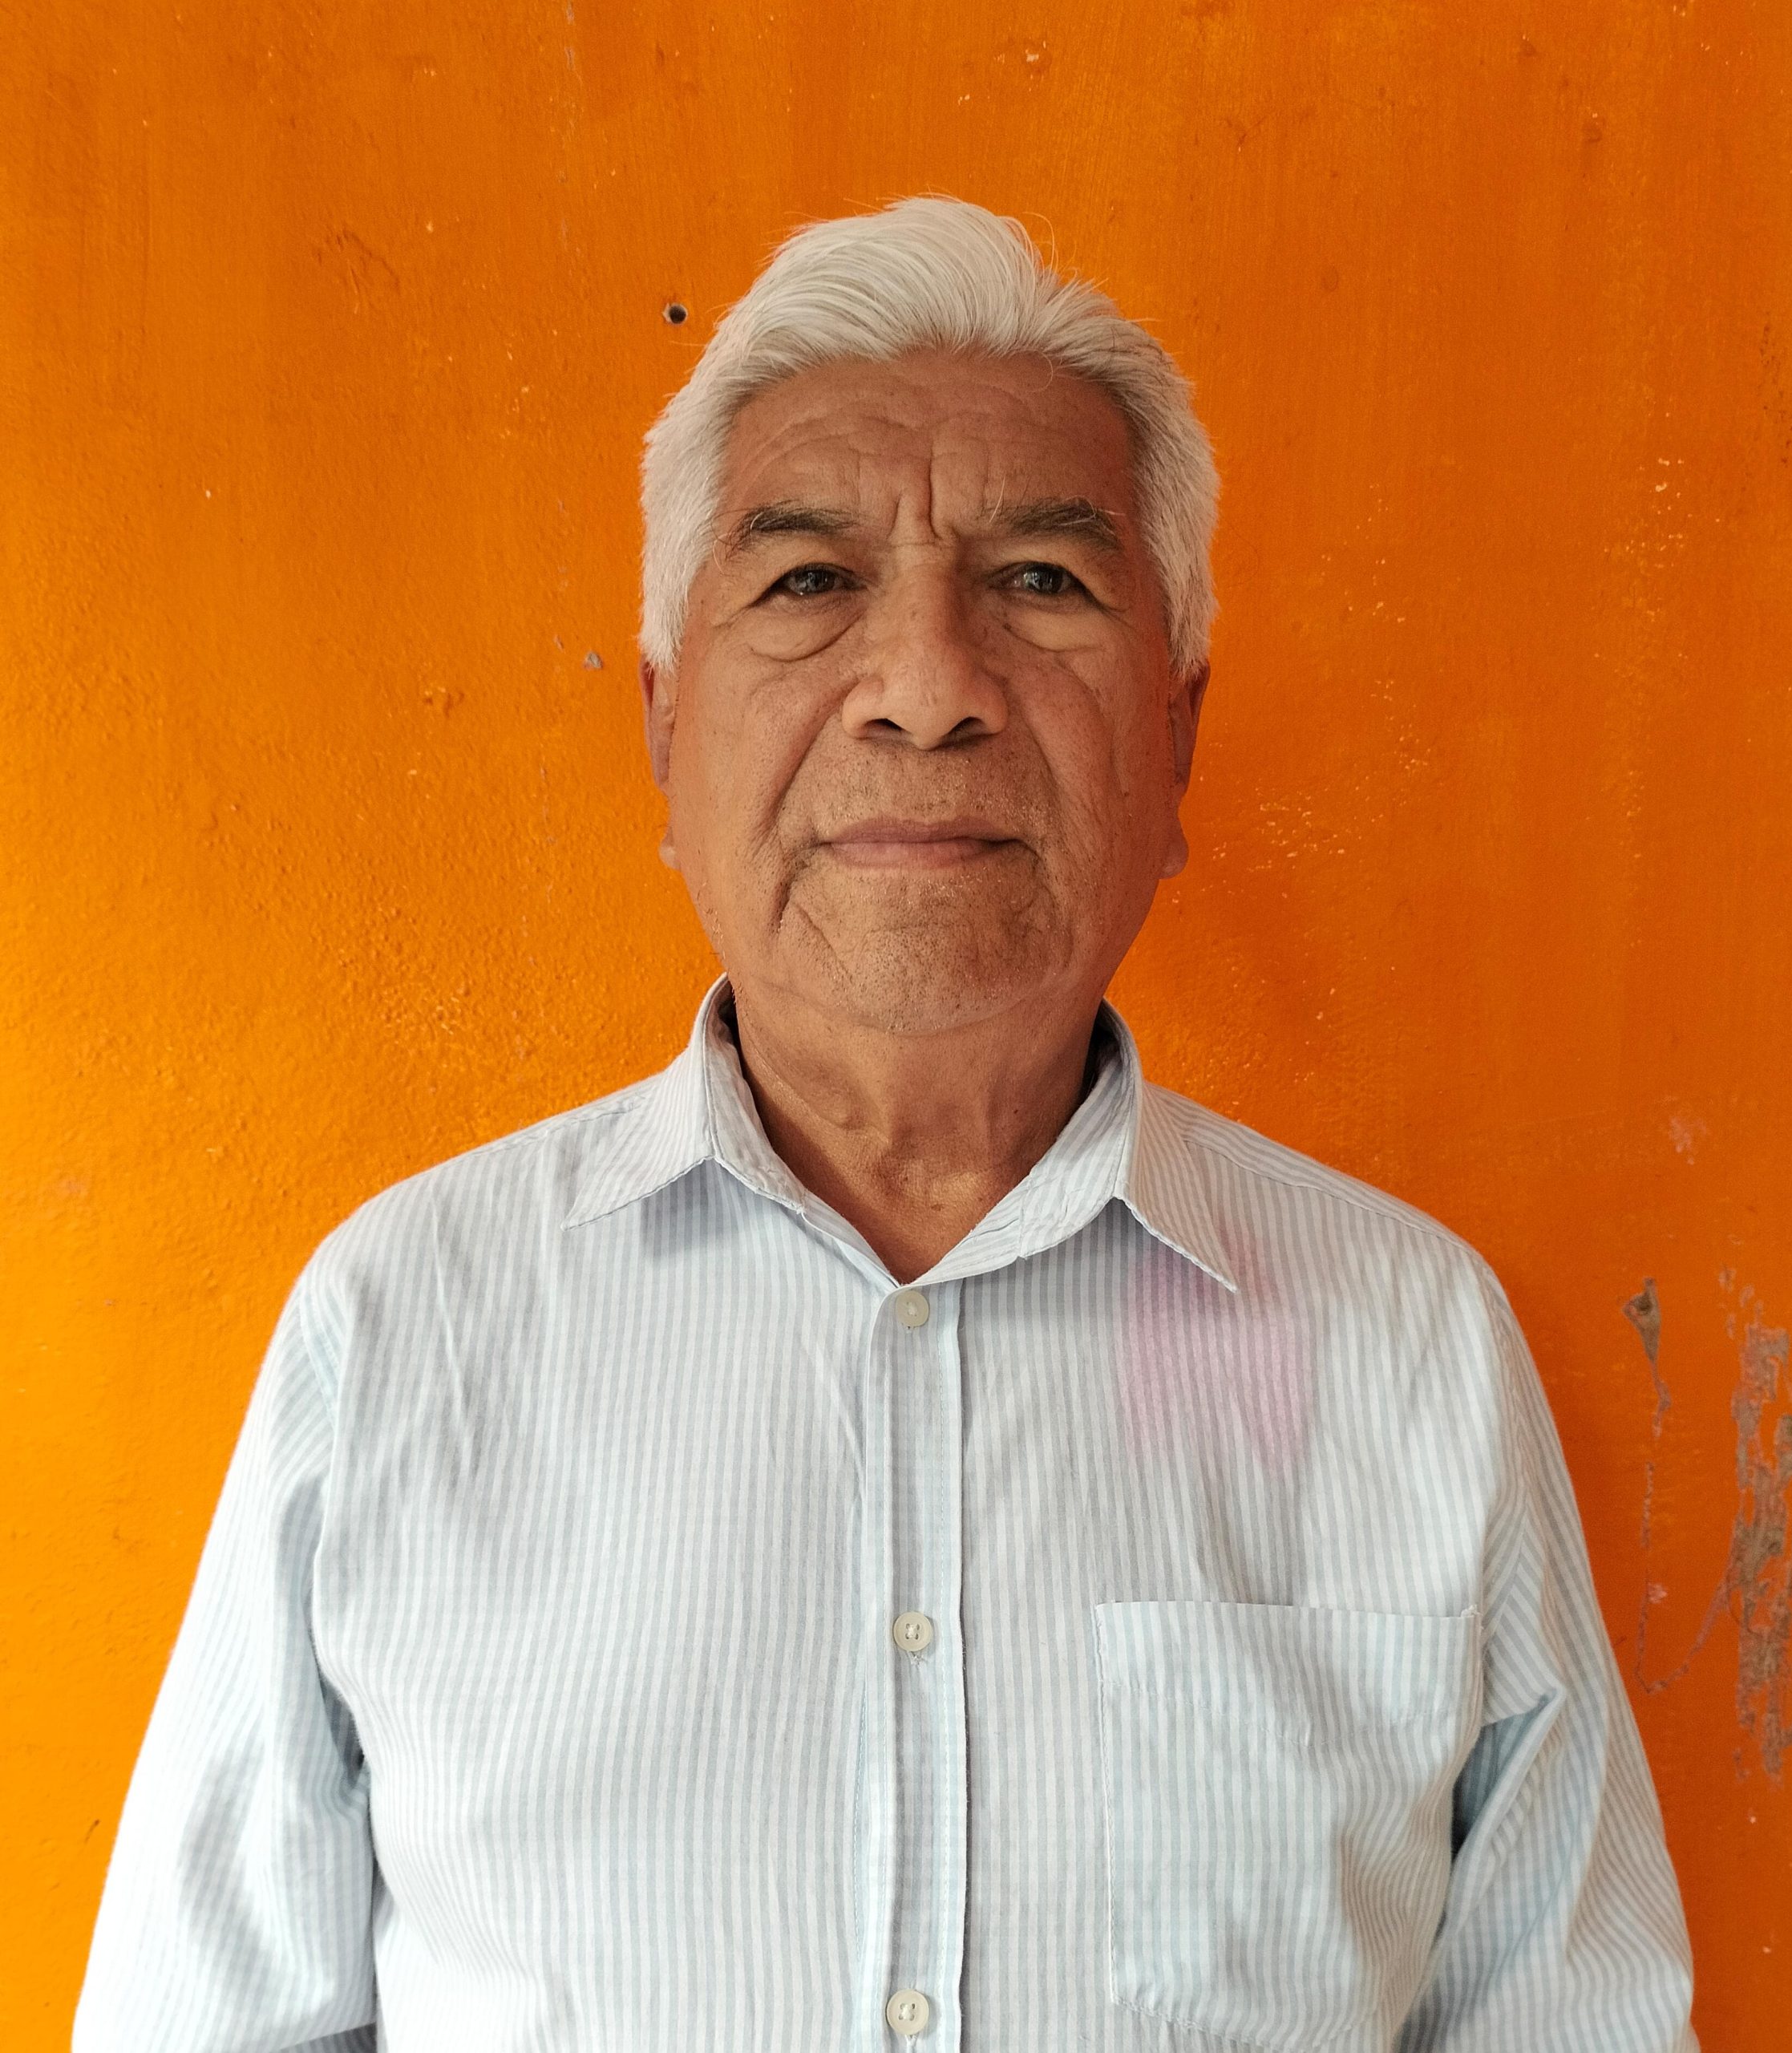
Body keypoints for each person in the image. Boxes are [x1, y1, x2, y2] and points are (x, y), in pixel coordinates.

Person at [75, 196, 1697, 2052]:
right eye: (806, 581)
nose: (926, 689)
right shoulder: (406, 1327)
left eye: (1042, 580)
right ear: (664, 733)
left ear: (1176, 739)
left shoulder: (1406, 1343)